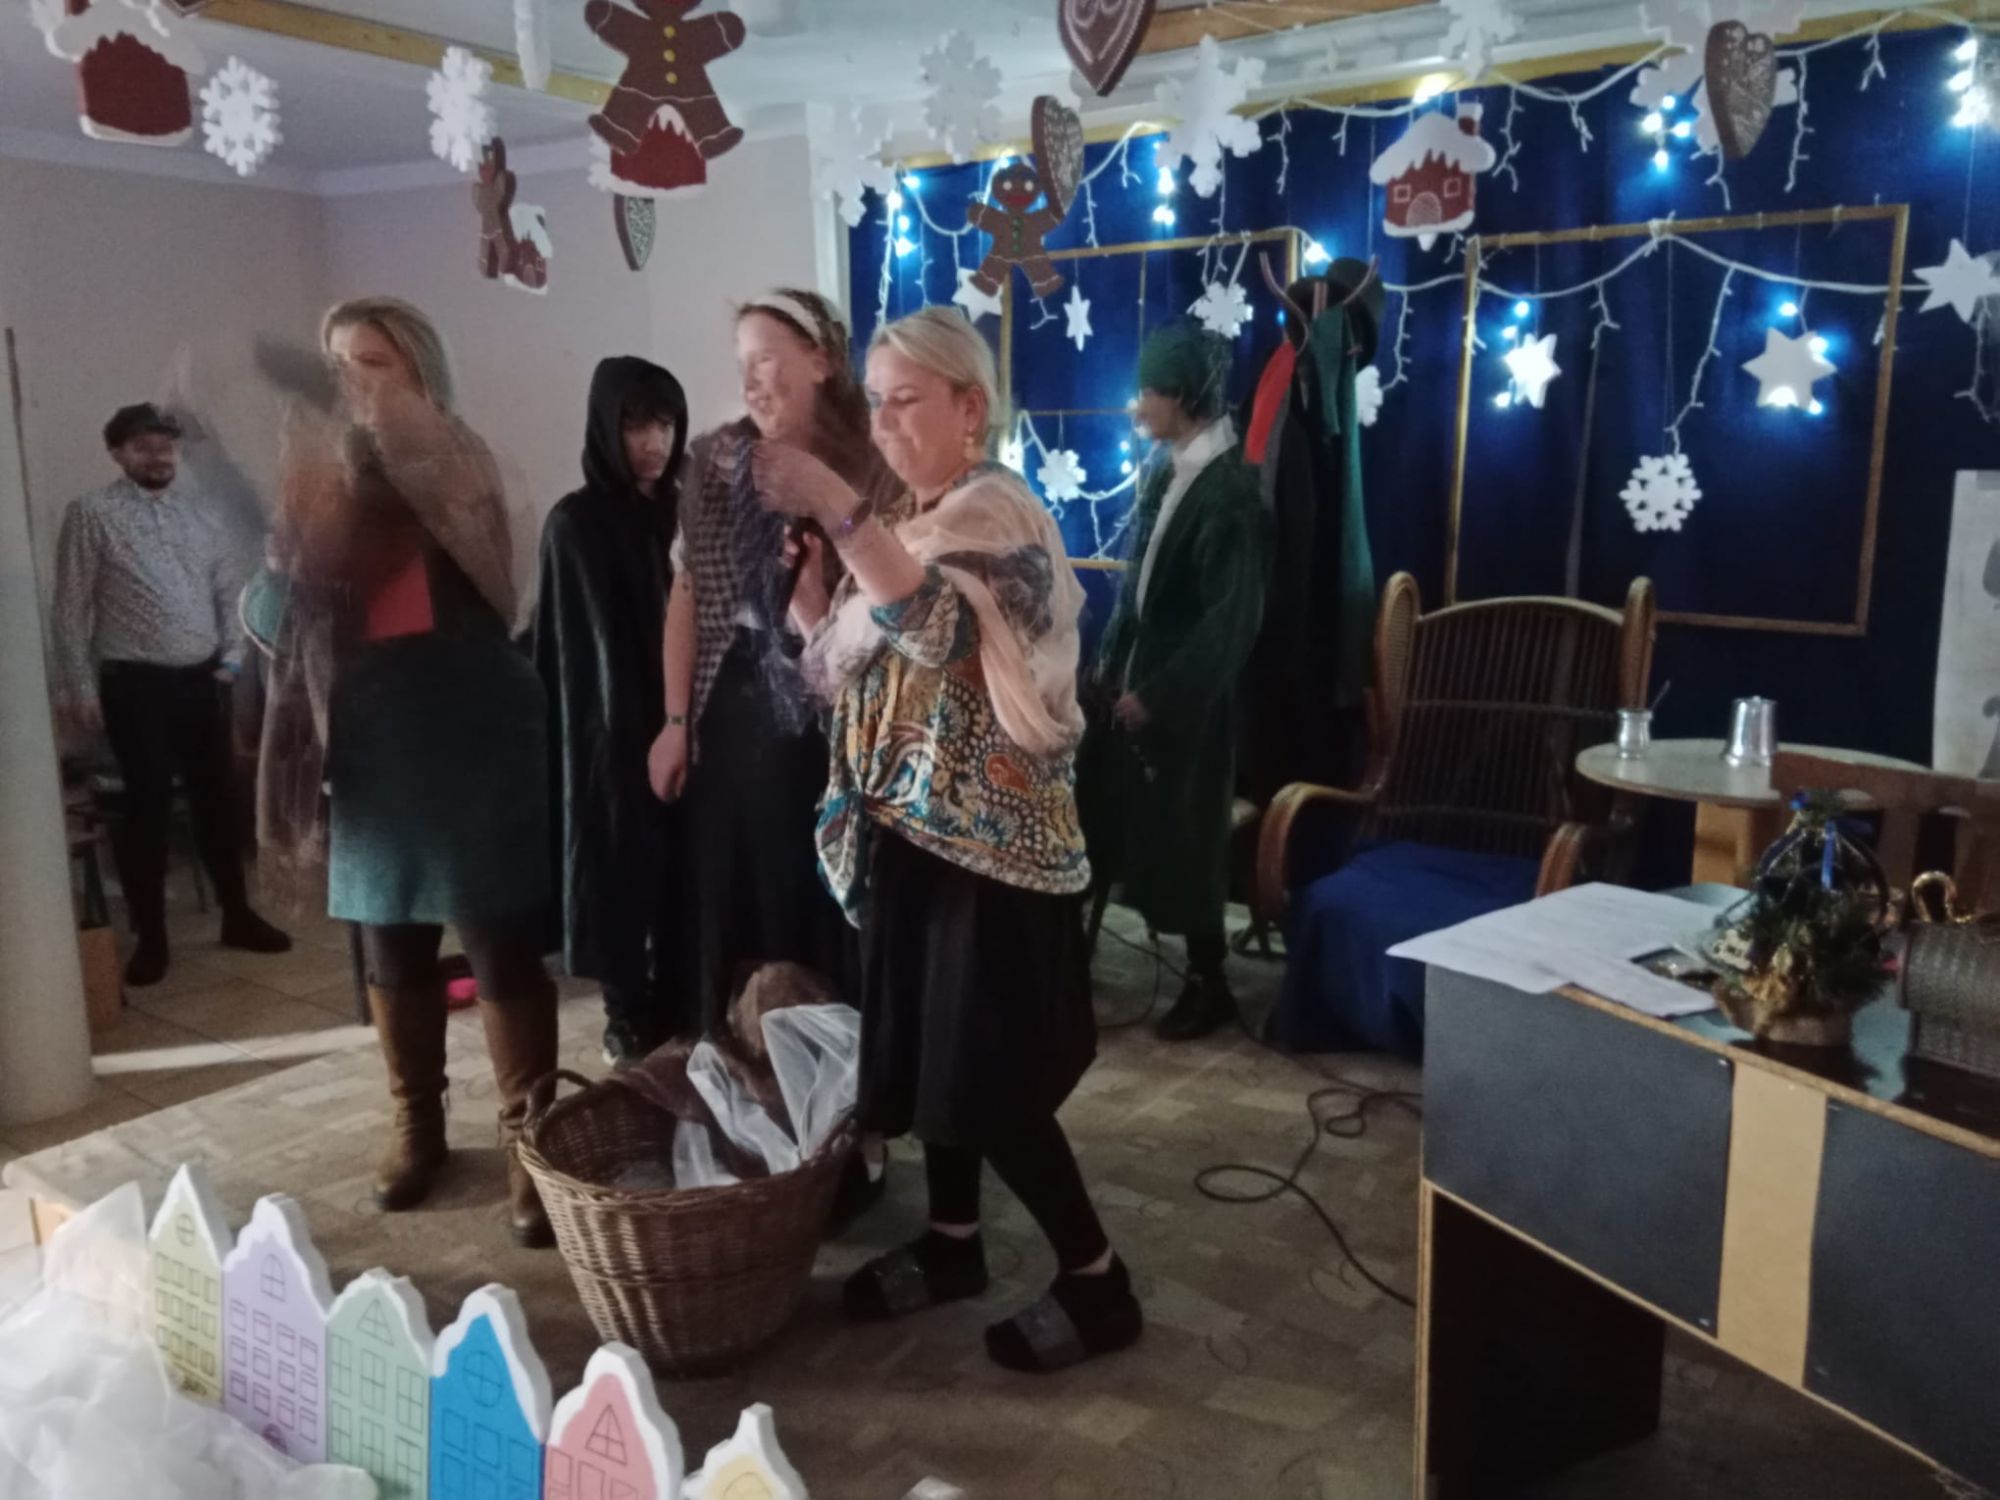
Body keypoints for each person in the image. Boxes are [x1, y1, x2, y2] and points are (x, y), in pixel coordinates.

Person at [761, 305, 1142, 1374]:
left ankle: (1098, 1281)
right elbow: (855, 671)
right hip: (917, 836)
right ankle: (953, 1239)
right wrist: (814, 599)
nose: (884, 424)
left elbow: (928, 628)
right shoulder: (914, 521)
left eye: (906, 402)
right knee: (933, 1063)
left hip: (997, 852)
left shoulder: (997, 514)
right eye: (875, 404)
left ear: (971, 407)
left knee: (992, 1082)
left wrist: (835, 504)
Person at [243, 297, 556, 1247]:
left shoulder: (458, 458)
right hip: (373, 730)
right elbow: (279, 608)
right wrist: (293, 554)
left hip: (472, 721)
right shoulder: (317, 470)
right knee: (390, 941)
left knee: (497, 939)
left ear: (420, 372)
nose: (352, 382)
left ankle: (529, 1136)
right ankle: (416, 1122)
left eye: (373, 362)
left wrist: (348, 510)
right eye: (339, 364)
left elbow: (491, 579)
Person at [646, 290, 897, 1028]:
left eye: (765, 359)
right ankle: (743, 1057)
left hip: (840, 706)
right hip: (737, 710)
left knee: (820, 889)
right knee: (735, 891)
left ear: (820, 362)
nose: (750, 380)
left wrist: (815, 598)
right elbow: (688, 590)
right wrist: (674, 722)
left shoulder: (874, 466)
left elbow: (894, 614)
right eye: (742, 364)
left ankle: (831, 1068)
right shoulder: (718, 465)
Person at [52, 402, 291, 987]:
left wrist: (232, 660)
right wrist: (78, 686)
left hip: (201, 680)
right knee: (149, 808)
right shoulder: (91, 514)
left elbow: (229, 590)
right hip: (133, 684)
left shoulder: (201, 515)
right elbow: (70, 607)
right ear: (117, 453)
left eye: (165, 446)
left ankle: (237, 916)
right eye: (143, 446)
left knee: (218, 801)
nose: (157, 456)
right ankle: (152, 939)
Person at [1081, 324, 1266, 1042]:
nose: (1138, 407)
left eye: (1148, 392)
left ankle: (1207, 980)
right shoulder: (1171, 470)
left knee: (1191, 833)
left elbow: (1230, 620)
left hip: (1195, 702)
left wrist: (1159, 694)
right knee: (1111, 809)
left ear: (1184, 395)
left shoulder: (1230, 491)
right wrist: (1109, 667)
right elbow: (1141, 588)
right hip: (1139, 677)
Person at [534, 357, 689, 1067]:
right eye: (635, 425)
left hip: (685, 720)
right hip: (609, 729)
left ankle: (683, 1004)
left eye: (664, 424)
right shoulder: (576, 523)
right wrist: (626, 732)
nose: (653, 442)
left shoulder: (684, 510)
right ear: (605, 426)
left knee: (684, 876)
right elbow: (578, 652)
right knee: (619, 866)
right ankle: (626, 1014)